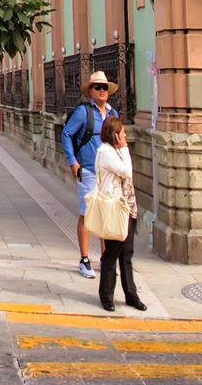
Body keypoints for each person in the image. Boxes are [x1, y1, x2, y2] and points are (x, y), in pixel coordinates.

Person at [59, 70, 120, 280]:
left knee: (105, 214)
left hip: (108, 173)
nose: (101, 91)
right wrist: (72, 161)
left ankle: (105, 257)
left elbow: (119, 140)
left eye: (104, 87)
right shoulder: (83, 112)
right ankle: (84, 259)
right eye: (97, 87)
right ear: (90, 91)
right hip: (88, 170)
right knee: (87, 213)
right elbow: (67, 133)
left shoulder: (113, 114)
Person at [93, 117, 146, 311]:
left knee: (127, 254)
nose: (125, 136)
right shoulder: (106, 152)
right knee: (112, 254)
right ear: (114, 135)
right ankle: (106, 296)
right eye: (122, 133)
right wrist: (124, 149)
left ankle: (131, 295)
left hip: (128, 208)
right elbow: (127, 172)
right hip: (116, 209)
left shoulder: (114, 151)